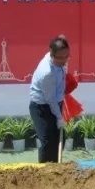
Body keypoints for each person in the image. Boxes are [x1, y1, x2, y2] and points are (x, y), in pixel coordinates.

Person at [28, 35, 69, 163]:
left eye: (66, 56)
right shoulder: (47, 73)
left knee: (60, 139)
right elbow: (50, 100)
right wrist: (59, 117)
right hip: (42, 108)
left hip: (55, 103)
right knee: (47, 142)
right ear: (52, 55)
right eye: (60, 58)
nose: (64, 60)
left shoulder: (56, 58)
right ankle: (45, 170)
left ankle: (55, 166)